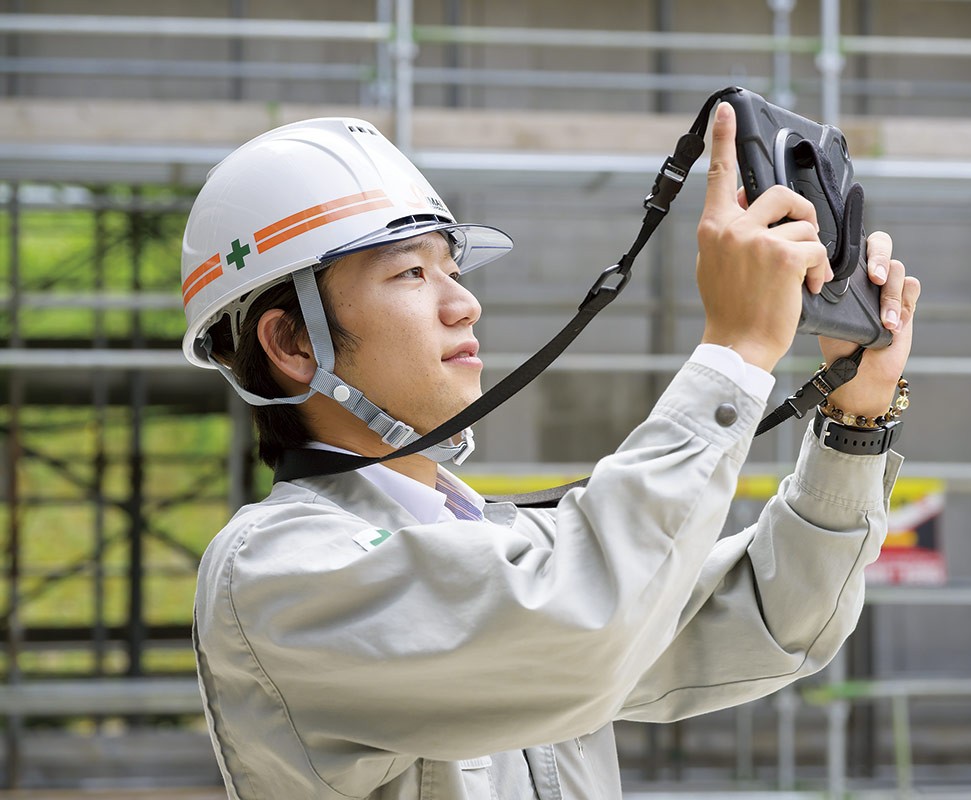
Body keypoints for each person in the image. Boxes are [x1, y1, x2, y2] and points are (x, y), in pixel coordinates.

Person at [181, 102, 920, 800]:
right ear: (293, 341)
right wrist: (736, 350)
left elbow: (771, 617)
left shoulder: (505, 545)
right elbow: (588, 621)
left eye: (454, 269)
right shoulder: (279, 575)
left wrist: (856, 414)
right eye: (411, 273)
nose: (463, 302)